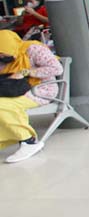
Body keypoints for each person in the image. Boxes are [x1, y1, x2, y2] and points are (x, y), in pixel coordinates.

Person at [0, 31, 62, 163]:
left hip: (40, 89)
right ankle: (10, 138)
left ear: (9, 46)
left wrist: (25, 72)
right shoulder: (5, 58)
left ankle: (29, 141)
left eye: (2, 53)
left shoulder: (33, 49)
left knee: (3, 106)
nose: (1, 56)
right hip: (14, 89)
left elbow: (57, 69)